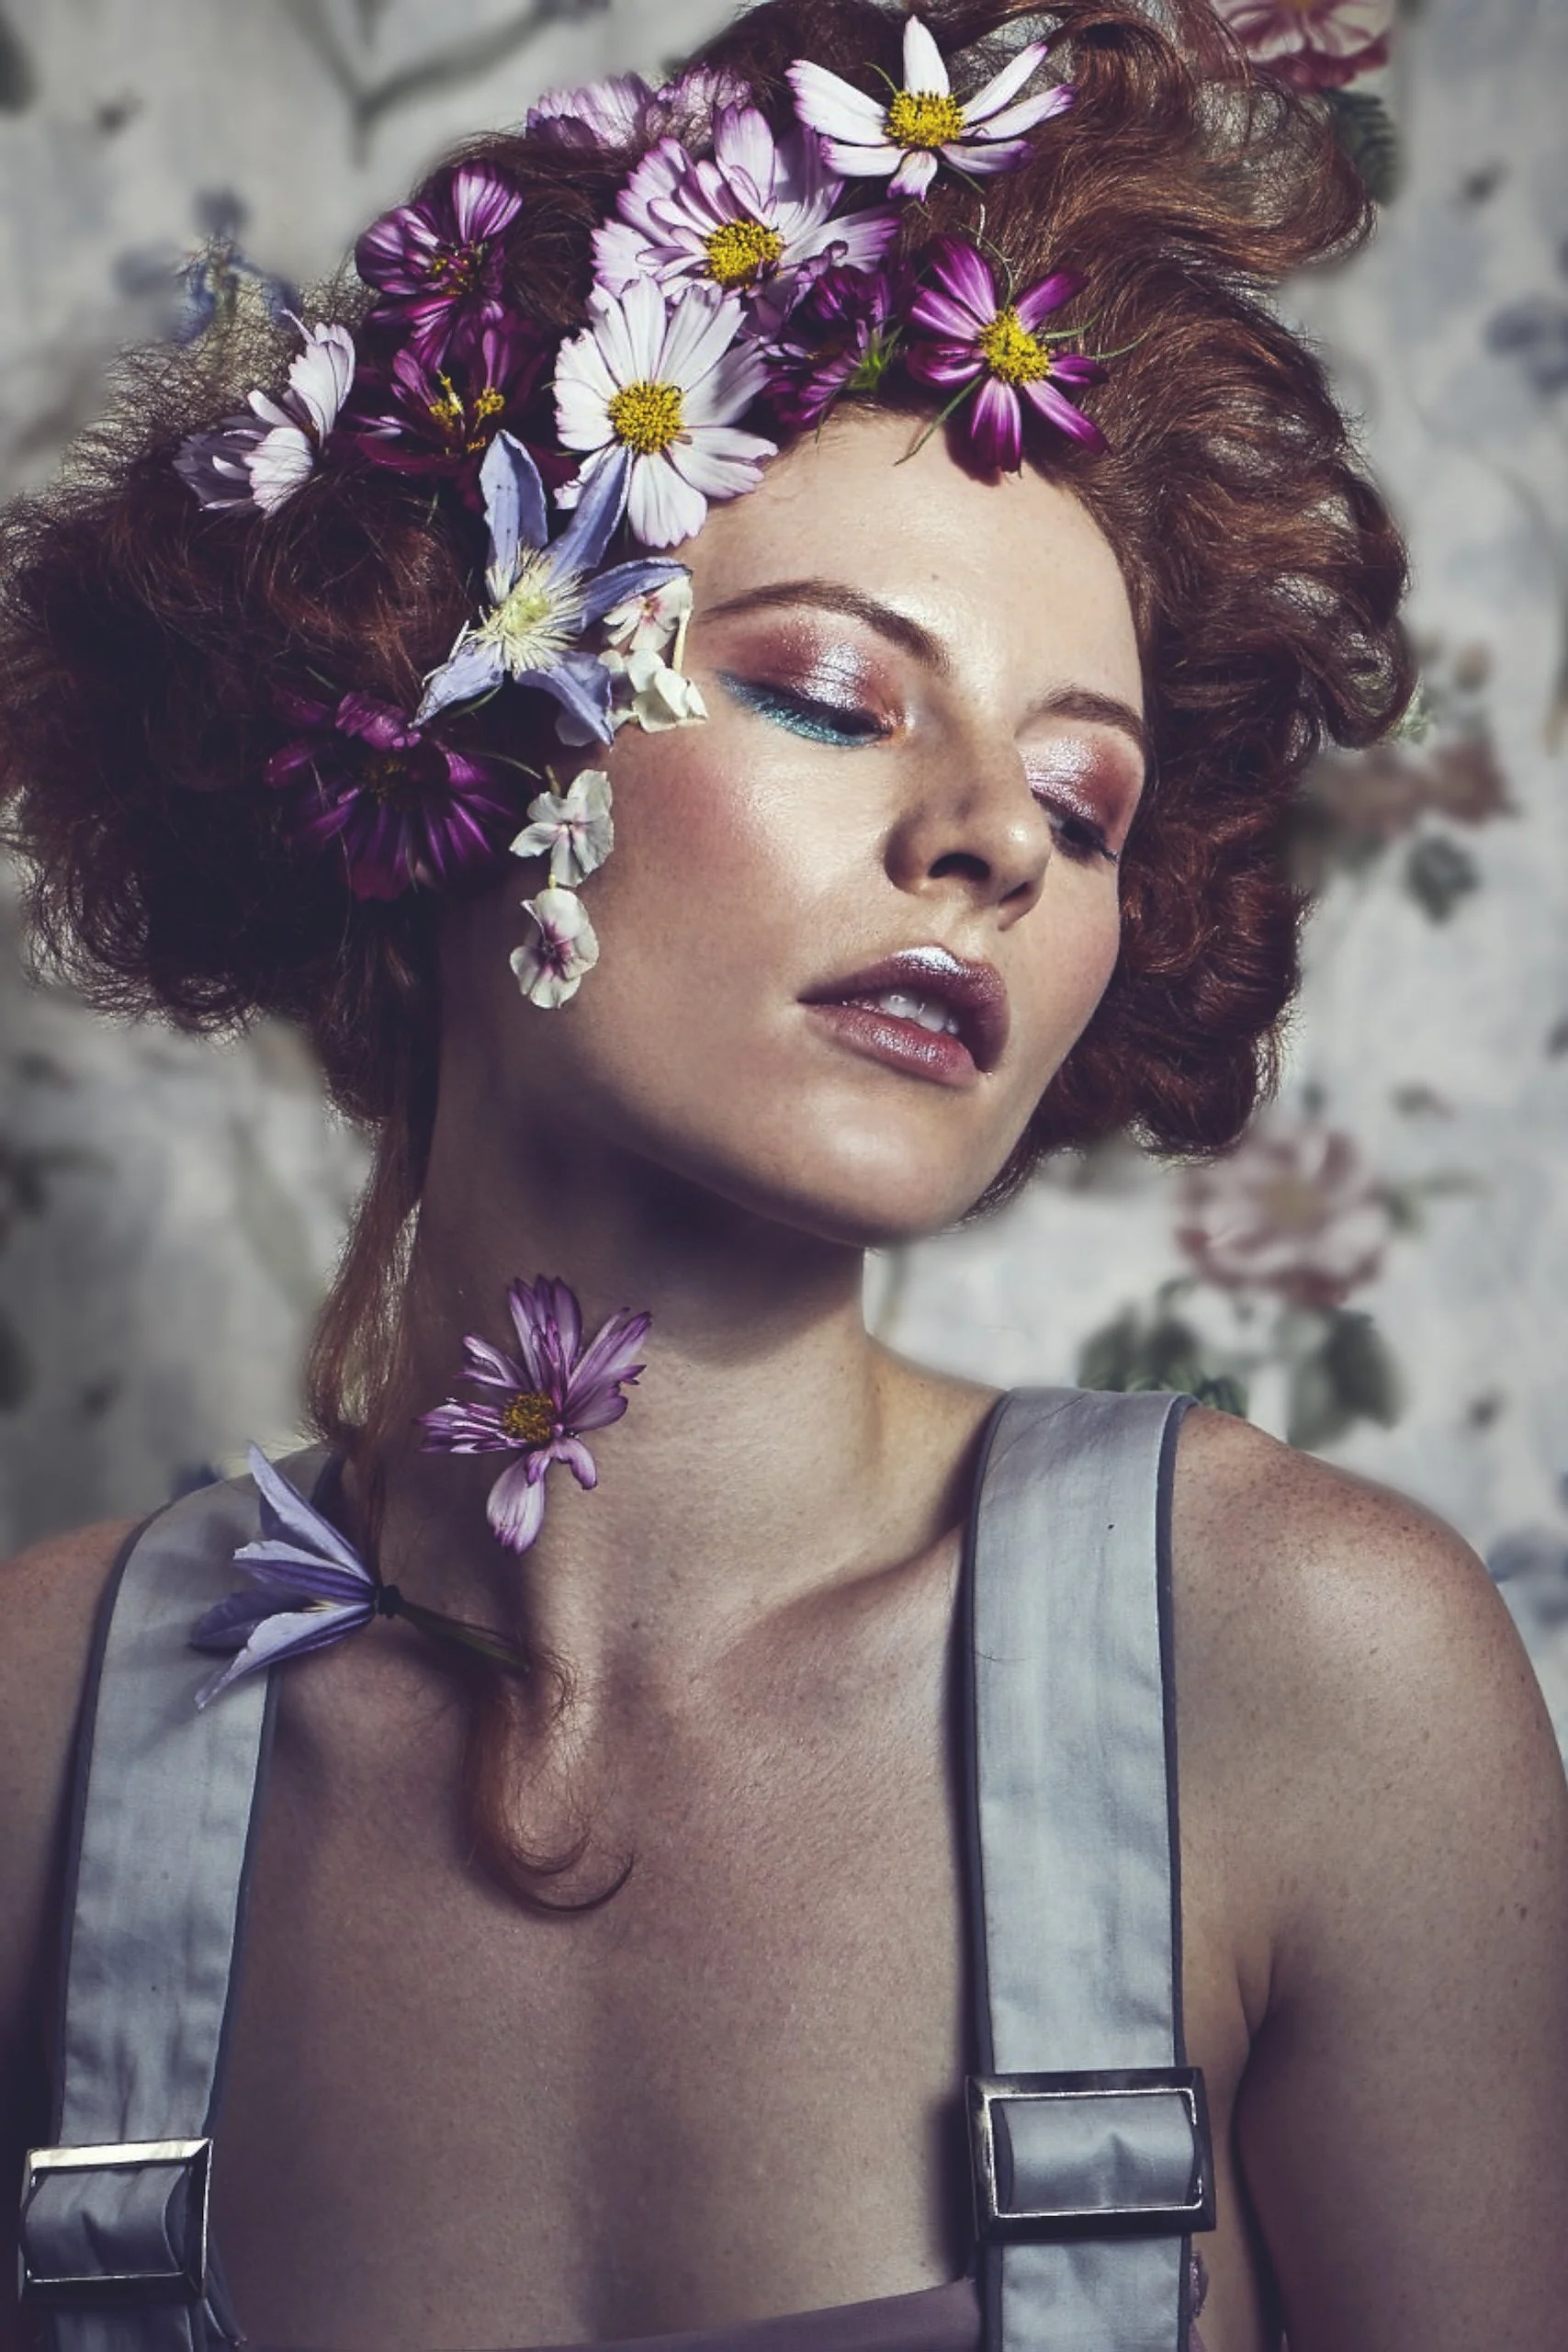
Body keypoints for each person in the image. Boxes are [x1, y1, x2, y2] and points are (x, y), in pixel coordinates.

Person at [1, 2, 1564, 2347]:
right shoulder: (33, 1729)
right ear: (462, 694)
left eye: (1088, 794)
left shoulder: (1306, 1670)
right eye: (835, 689)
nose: (992, 840)